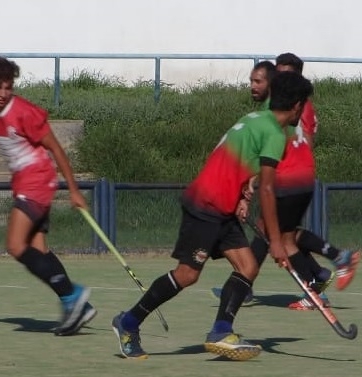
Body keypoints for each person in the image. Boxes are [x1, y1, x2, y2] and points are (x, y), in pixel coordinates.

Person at [111, 70, 313, 361]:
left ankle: (221, 331)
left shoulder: (254, 119)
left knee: (248, 266)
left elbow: (237, 161)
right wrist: (277, 241)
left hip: (223, 206)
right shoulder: (274, 134)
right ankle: (128, 322)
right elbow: (268, 189)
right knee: (187, 275)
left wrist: (241, 193)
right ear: (296, 106)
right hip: (206, 204)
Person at [0, 56, 96, 336]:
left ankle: (73, 295)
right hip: (23, 182)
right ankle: (77, 306)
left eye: (8, 87)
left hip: (38, 179)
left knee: (15, 245)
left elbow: (57, 149)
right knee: (38, 250)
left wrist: (74, 190)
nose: (3, 93)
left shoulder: (25, 113)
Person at [247, 52, 360, 311]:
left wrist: (269, 171)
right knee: (284, 233)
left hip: (291, 175)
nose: (279, 79)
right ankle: (321, 272)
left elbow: (304, 141)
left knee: (273, 233)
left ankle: (320, 274)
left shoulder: (299, 104)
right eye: (278, 73)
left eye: (285, 74)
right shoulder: (282, 101)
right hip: (294, 174)